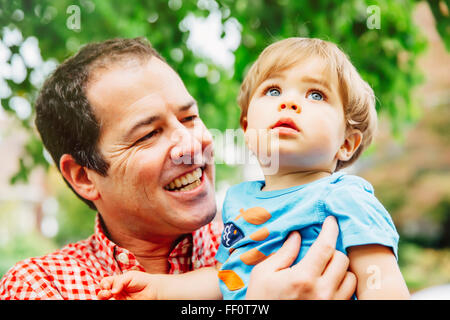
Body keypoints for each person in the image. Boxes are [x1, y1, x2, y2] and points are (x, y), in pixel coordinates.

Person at [0, 37, 356, 300]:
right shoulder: (41, 286)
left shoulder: (279, 234)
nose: (191, 145)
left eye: (190, 117)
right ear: (83, 176)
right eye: (149, 134)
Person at [98, 37, 410, 300]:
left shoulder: (346, 196)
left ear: (347, 143)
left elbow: (380, 279)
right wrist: (160, 290)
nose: (289, 102)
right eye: (273, 91)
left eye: (316, 94)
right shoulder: (239, 200)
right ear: (247, 129)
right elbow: (227, 277)